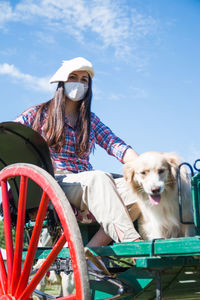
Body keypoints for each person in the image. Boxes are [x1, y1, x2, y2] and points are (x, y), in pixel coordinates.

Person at [15, 57, 141, 252]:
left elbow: (115, 144)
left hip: (88, 182)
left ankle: (90, 253)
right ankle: (133, 244)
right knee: (99, 178)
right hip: (56, 182)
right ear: (62, 83)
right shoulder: (38, 114)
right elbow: (11, 136)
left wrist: (143, 166)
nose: (79, 83)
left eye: (84, 80)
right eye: (73, 77)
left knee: (137, 189)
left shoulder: (90, 120)